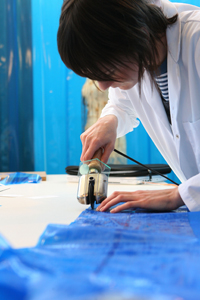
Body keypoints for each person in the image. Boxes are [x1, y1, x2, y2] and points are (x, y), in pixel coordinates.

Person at [57, 0, 200, 213]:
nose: (103, 86)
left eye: (106, 73)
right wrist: (110, 120)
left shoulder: (195, 40)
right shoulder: (136, 55)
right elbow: (121, 102)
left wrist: (179, 195)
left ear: (138, 35)